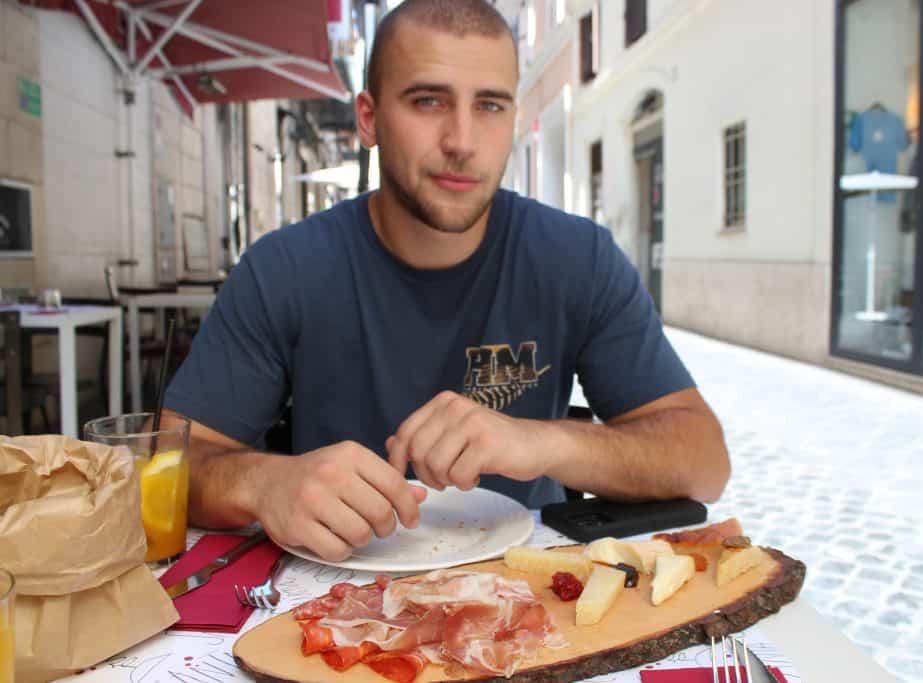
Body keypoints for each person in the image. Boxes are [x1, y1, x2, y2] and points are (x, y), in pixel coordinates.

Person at [164, 0, 730, 562]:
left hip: (529, 591)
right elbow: (170, 460)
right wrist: (264, 483)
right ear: (369, 118)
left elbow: (704, 460)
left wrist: (544, 441)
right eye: (428, 100)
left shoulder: (577, 258)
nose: (461, 140)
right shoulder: (284, 269)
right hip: (334, 590)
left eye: (489, 105)